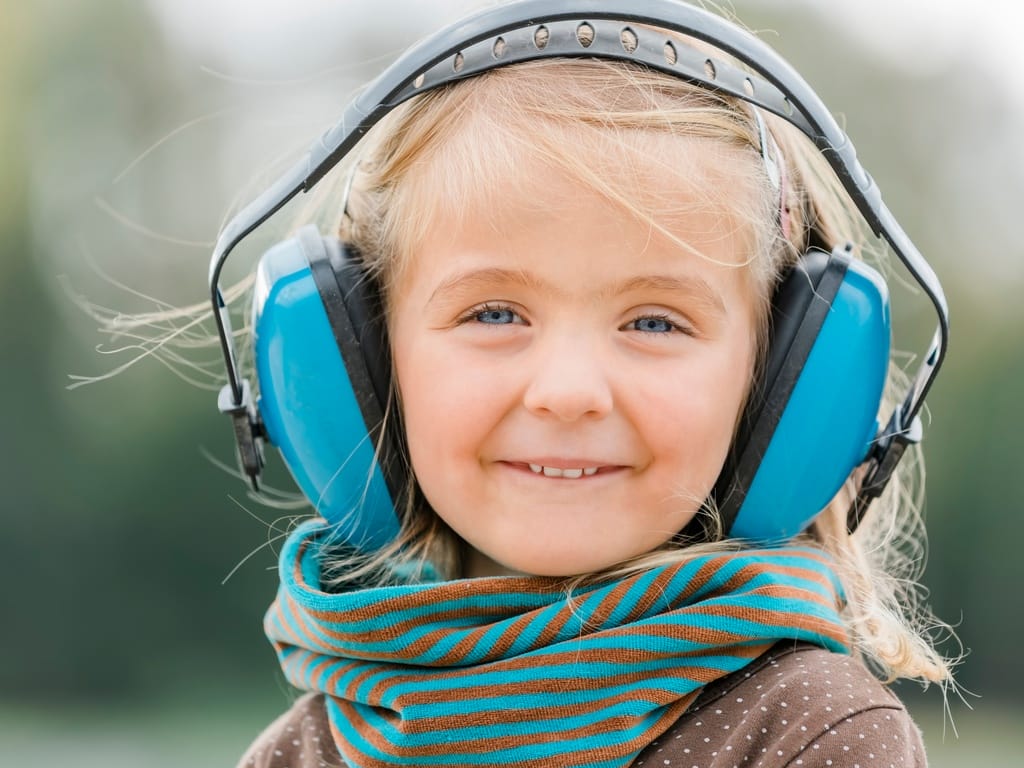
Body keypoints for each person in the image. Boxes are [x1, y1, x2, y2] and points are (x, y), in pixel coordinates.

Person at [184, 3, 956, 766]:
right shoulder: (302, 753)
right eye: (494, 312)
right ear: (367, 365)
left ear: (778, 392)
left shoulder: (813, 733)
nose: (569, 391)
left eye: (654, 323)